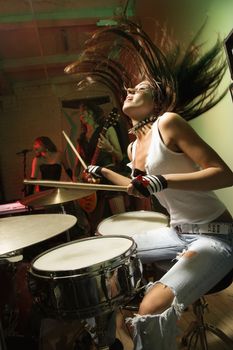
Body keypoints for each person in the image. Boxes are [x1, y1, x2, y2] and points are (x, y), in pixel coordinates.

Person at [73, 21, 233, 350]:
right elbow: (136, 187)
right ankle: (107, 339)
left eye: (139, 88)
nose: (129, 91)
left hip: (217, 234)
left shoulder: (167, 123)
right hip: (178, 231)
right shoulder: (133, 147)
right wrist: (101, 170)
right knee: (102, 257)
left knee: (150, 307)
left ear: (156, 101)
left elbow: (223, 173)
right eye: (129, 89)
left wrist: (163, 179)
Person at [72, 102, 130, 234]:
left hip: (108, 175)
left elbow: (120, 156)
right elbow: (77, 165)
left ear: (94, 113)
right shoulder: (81, 139)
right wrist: (76, 180)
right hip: (91, 182)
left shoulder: (107, 129)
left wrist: (109, 148)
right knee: (97, 224)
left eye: (86, 111)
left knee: (119, 217)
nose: (82, 114)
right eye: (81, 112)